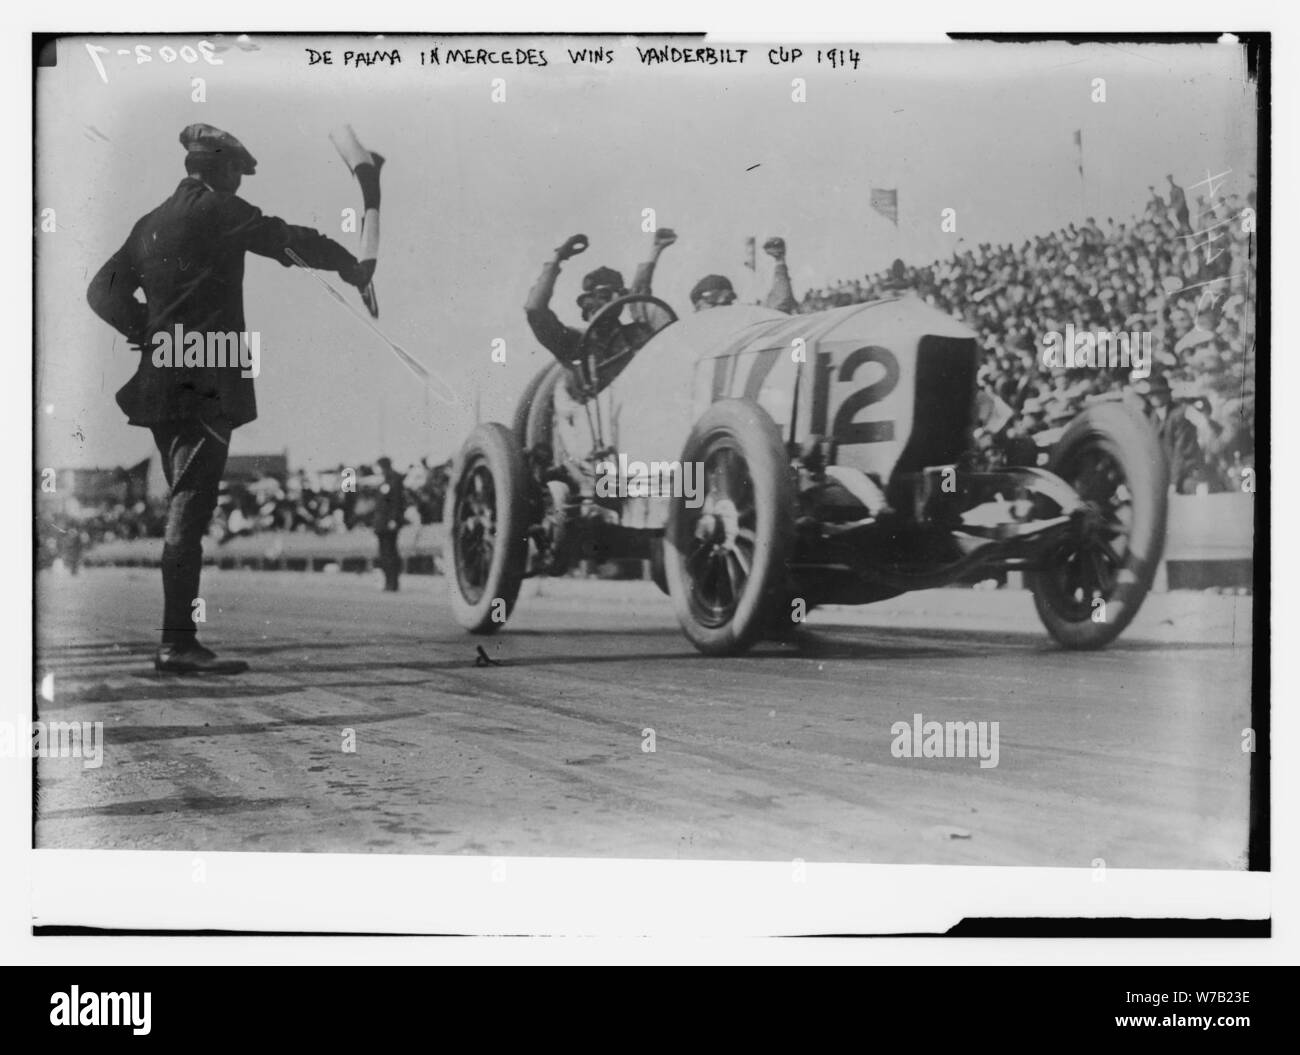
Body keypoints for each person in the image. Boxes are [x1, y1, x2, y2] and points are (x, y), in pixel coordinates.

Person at [87, 123, 372, 674]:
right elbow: (285, 237)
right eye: (238, 173)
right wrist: (348, 264)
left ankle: (178, 641)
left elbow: (101, 289)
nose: (240, 184)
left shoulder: (148, 222)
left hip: (160, 375)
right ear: (221, 169)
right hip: (207, 379)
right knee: (191, 506)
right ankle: (176, 644)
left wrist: (146, 328)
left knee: (185, 499)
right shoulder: (218, 210)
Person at [524, 227, 676, 396]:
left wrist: (655, 251)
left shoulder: (638, 333)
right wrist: (557, 258)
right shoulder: (576, 345)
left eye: (619, 295)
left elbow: (641, 302)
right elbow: (535, 309)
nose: (615, 299)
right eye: (605, 295)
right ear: (588, 303)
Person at [687, 235, 799, 313]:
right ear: (697, 307)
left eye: (725, 302)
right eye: (710, 304)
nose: (716, 309)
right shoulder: (690, 334)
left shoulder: (738, 323)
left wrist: (780, 262)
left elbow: (778, 305)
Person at [373, 457, 406, 592]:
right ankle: (389, 582)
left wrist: (393, 519)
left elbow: (396, 502)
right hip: (381, 523)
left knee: (390, 553)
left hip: (389, 523)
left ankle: (393, 582)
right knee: (384, 554)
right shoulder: (384, 479)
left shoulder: (394, 478)